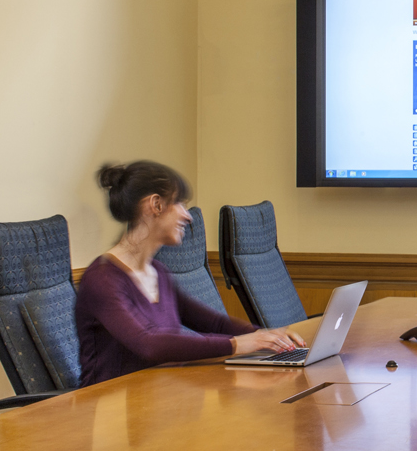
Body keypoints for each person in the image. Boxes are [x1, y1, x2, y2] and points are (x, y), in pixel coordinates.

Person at [76, 161, 305, 387]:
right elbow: (149, 344)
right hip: (109, 412)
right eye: (180, 204)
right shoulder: (102, 278)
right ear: (156, 205)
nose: (188, 216)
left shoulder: (158, 272)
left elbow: (214, 323)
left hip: (159, 399)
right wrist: (238, 344)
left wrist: (268, 336)